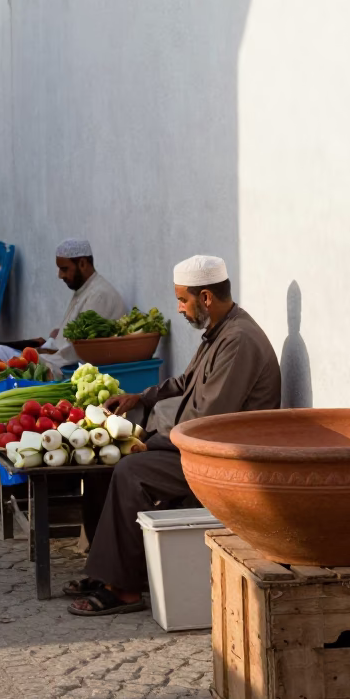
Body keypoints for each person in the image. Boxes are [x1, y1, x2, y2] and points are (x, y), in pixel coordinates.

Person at [67, 255, 281, 617]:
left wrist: (148, 440)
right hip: (202, 447)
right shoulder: (220, 331)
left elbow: (208, 421)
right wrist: (141, 397)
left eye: (183, 299)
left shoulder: (239, 340)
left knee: (130, 471)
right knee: (105, 463)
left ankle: (124, 591)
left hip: (226, 459)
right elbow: (185, 382)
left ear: (207, 298)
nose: (179, 308)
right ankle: (104, 570)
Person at [0, 239, 126, 375]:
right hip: (57, 357)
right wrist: (53, 340)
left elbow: (75, 353)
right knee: (0, 352)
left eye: (64, 269)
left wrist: (38, 353)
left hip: (70, 368)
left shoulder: (99, 295)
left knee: (5, 363)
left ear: (82, 264)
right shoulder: (84, 289)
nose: (60, 275)